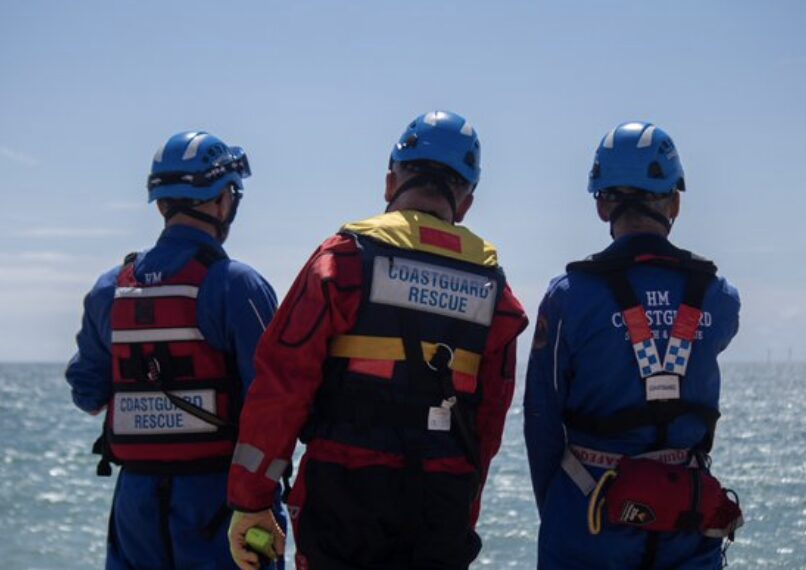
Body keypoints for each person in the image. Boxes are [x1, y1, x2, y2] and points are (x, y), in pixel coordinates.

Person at [227, 110, 528, 570]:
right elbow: (488, 422)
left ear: (391, 181)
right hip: (440, 504)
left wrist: (251, 500)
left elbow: (282, 385)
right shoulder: (495, 293)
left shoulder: (342, 261)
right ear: (465, 202)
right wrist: (465, 507)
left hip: (344, 496)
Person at [524, 121, 743, 569]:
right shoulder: (719, 297)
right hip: (687, 518)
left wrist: (560, 509)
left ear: (603, 205)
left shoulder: (569, 296)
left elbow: (540, 416)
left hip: (590, 516)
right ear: (675, 202)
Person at [65, 131, 285, 569]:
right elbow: (275, 402)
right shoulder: (238, 286)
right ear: (224, 200)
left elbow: (86, 395)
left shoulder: (111, 288)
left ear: (162, 203)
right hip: (225, 500)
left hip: (136, 503)